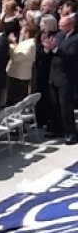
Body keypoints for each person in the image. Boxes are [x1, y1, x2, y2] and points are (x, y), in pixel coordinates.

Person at [44, 14, 78, 144]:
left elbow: (71, 56)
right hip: (54, 75)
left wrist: (56, 49)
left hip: (66, 77)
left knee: (65, 106)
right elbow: (51, 51)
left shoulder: (75, 39)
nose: (60, 28)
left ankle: (71, 133)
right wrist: (47, 48)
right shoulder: (58, 36)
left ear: (70, 25)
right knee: (55, 105)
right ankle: (58, 129)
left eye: (63, 26)